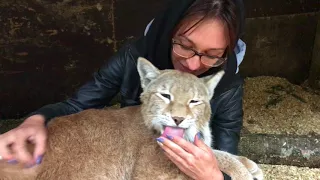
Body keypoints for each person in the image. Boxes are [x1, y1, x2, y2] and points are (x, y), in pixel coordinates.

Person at [0, 0, 246, 179]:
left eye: (212, 55)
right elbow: (78, 104)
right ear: (170, 31)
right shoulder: (134, 57)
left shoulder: (227, 86)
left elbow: (225, 152)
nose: (192, 64)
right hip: (131, 147)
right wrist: (35, 120)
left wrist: (214, 177)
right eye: (184, 45)